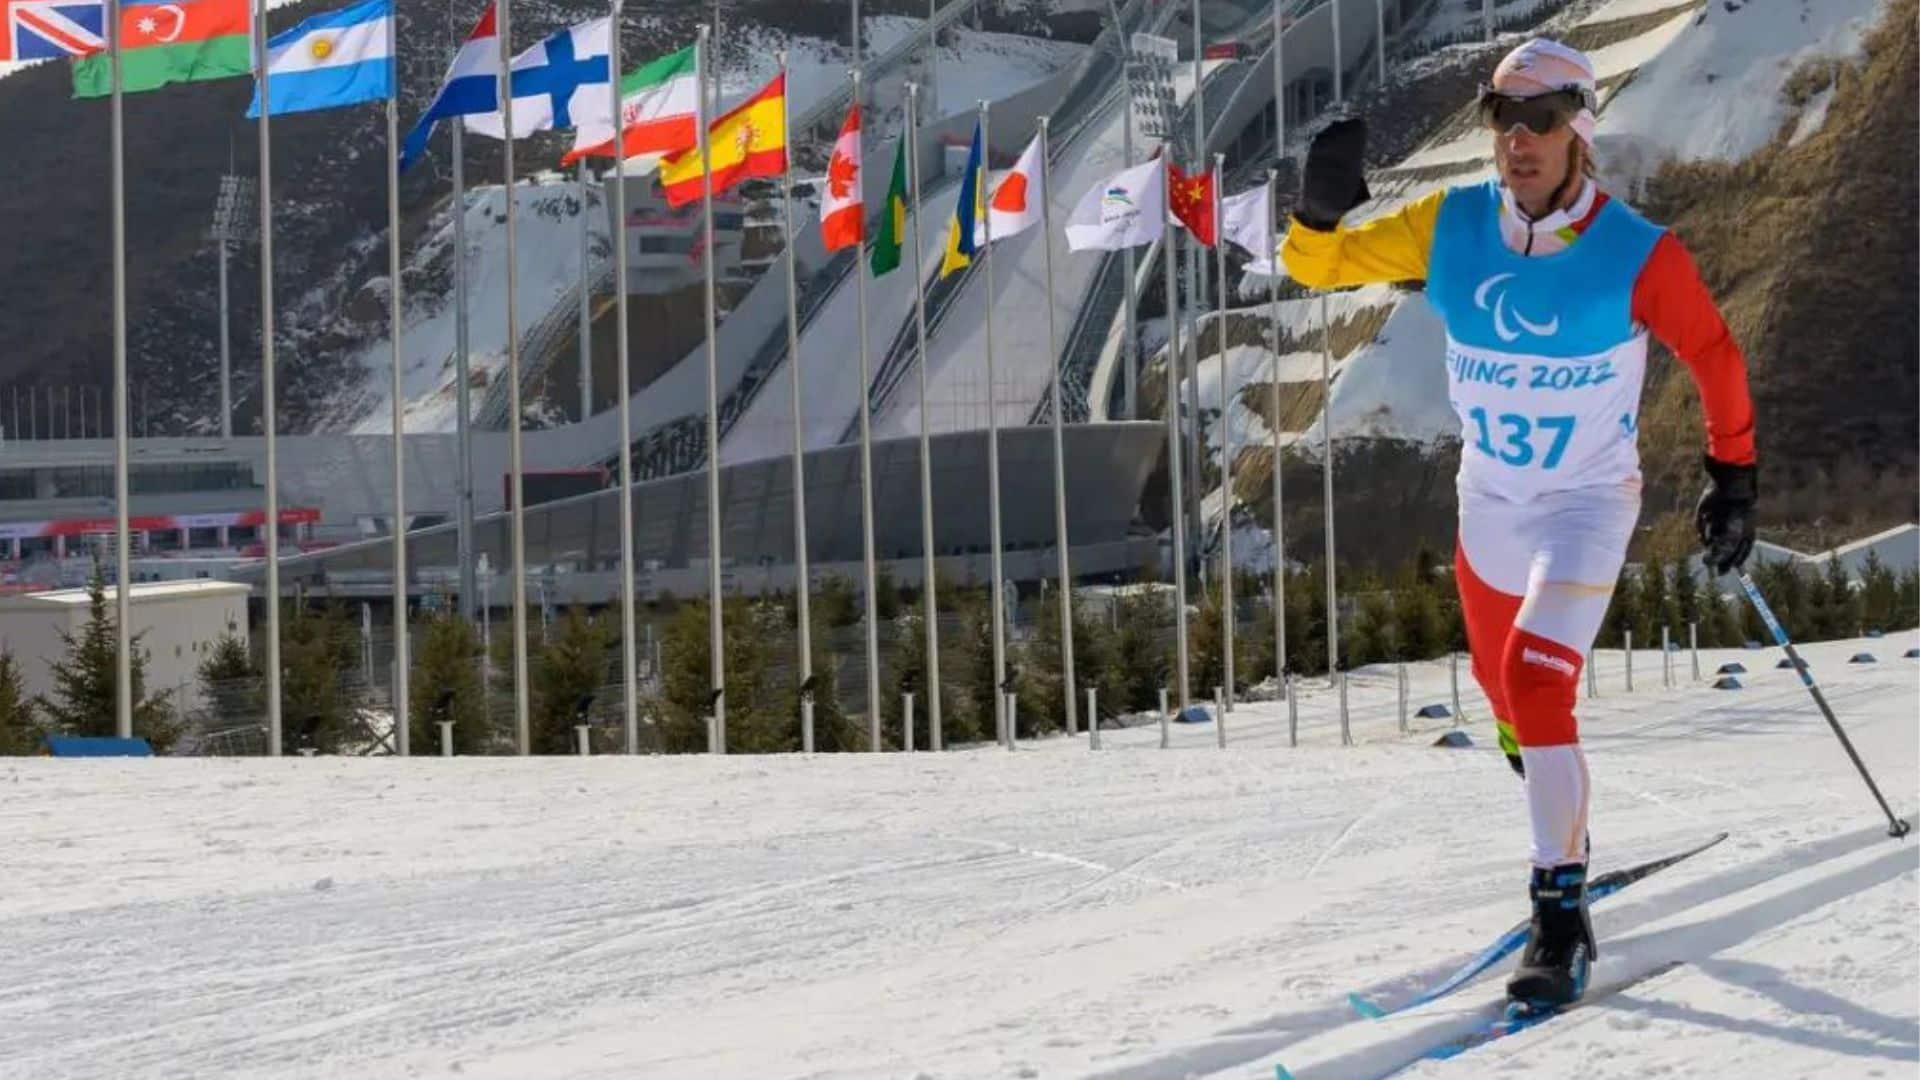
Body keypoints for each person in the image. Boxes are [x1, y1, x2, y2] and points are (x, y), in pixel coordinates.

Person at [1279, 37, 1757, 1009]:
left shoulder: (1639, 254)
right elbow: (1318, 269)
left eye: (1541, 121)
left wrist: (1732, 474)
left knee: (1541, 683)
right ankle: (1560, 810)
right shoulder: (1449, 228)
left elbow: (1711, 351)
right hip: (1489, 505)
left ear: (1579, 130)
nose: (1520, 141)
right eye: (1504, 120)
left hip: (1585, 504)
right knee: (1507, 701)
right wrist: (1316, 209)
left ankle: (1559, 910)